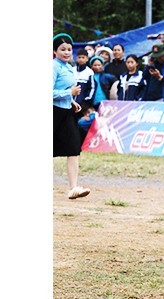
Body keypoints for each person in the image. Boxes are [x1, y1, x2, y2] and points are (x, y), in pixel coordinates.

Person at [53, 33, 91, 200]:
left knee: (73, 148)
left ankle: (73, 188)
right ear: (55, 51)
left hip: (67, 112)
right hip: (52, 112)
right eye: (63, 49)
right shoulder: (53, 67)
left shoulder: (69, 67)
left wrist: (71, 100)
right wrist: (69, 93)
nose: (67, 52)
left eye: (69, 49)